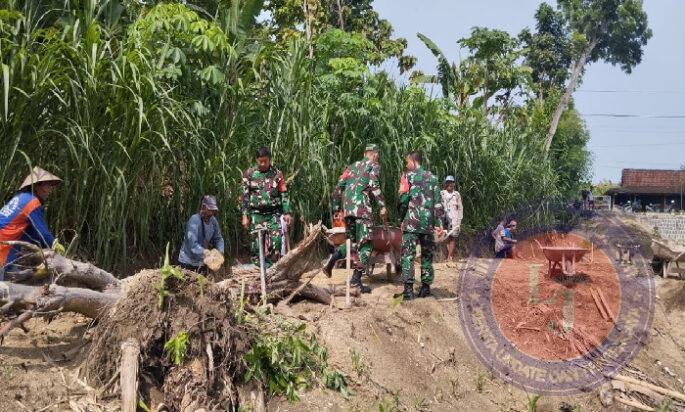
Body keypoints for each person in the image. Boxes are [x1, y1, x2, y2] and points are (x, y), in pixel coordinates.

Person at [324, 143, 387, 293]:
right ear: (374, 153)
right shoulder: (374, 165)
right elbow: (374, 184)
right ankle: (356, 281)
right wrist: (383, 205)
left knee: (351, 243)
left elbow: (338, 188)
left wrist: (336, 210)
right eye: (377, 154)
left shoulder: (351, 167)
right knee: (366, 245)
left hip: (348, 211)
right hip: (362, 211)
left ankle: (334, 256)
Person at [0, 167, 64, 280]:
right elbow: (42, 233)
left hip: (6, 244)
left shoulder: (21, 197)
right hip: (3, 250)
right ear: (38, 185)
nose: (50, 190)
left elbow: (32, 233)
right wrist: (55, 246)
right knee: (9, 290)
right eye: (48, 185)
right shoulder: (32, 203)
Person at [397, 152, 444, 300]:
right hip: (428, 224)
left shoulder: (407, 176)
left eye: (407, 162)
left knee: (408, 256)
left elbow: (403, 200)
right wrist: (439, 224)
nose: (406, 165)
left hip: (411, 223)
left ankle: (409, 291)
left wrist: (402, 217)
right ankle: (425, 289)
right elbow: (438, 204)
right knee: (427, 255)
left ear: (412, 161)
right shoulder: (433, 178)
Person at [240, 147, 291, 268]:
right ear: (256, 160)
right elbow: (244, 196)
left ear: (270, 160)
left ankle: (271, 267)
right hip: (256, 215)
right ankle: (263, 271)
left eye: (265, 161)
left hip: (273, 214)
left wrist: (287, 212)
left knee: (277, 243)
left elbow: (284, 193)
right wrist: (244, 216)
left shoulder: (277, 174)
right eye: (260, 161)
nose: (263, 164)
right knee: (256, 248)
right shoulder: (250, 174)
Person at [178, 195, 225, 274]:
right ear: (203, 207)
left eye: (213, 211)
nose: (211, 213)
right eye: (209, 210)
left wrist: (220, 252)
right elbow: (193, 246)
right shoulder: (194, 220)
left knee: (203, 285)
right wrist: (209, 255)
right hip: (187, 262)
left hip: (202, 262)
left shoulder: (213, 220)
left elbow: (218, 238)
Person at [440, 175, 463, 265]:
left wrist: (459, 221)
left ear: (453, 184)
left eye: (451, 182)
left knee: (452, 237)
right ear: (446, 183)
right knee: (444, 237)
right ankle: (445, 256)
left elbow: (460, 208)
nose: (450, 184)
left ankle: (450, 258)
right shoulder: (442, 193)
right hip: (443, 218)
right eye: (448, 182)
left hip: (454, 219)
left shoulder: (456, 194)